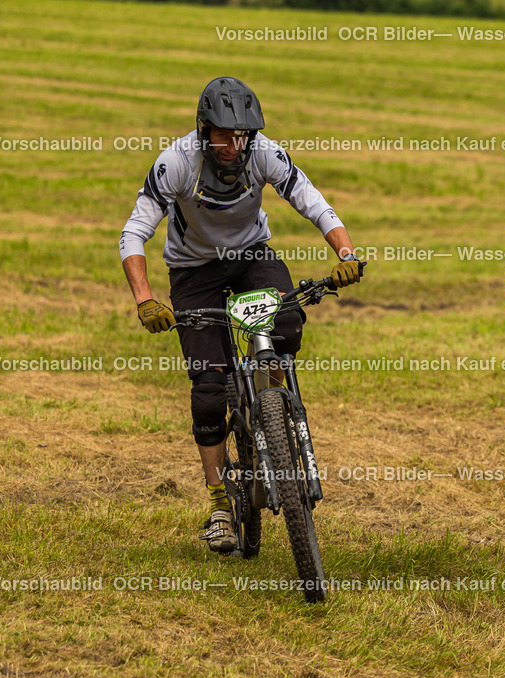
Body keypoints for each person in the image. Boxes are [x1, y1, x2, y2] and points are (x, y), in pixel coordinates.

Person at [119, 77, 362, 553]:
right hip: (193, 270)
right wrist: (145, 298)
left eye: (241, 136)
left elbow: (313, 201)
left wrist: (346, 252)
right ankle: (218, 503)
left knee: (286, 321)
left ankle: (270, 406)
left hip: (251, 255)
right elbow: (133, 233)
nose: (233, 147)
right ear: (203, 131)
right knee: (209, 390)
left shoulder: (264, 152)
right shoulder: (176, 163)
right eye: (223, 136)